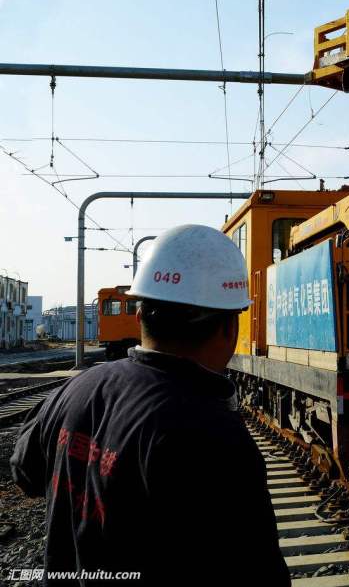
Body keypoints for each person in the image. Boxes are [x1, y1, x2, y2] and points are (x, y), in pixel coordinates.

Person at [11, 225, 290, 586]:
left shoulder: (75, 390)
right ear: (229, 328)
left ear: (141, 315)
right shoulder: (214, 434)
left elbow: (25, 473)